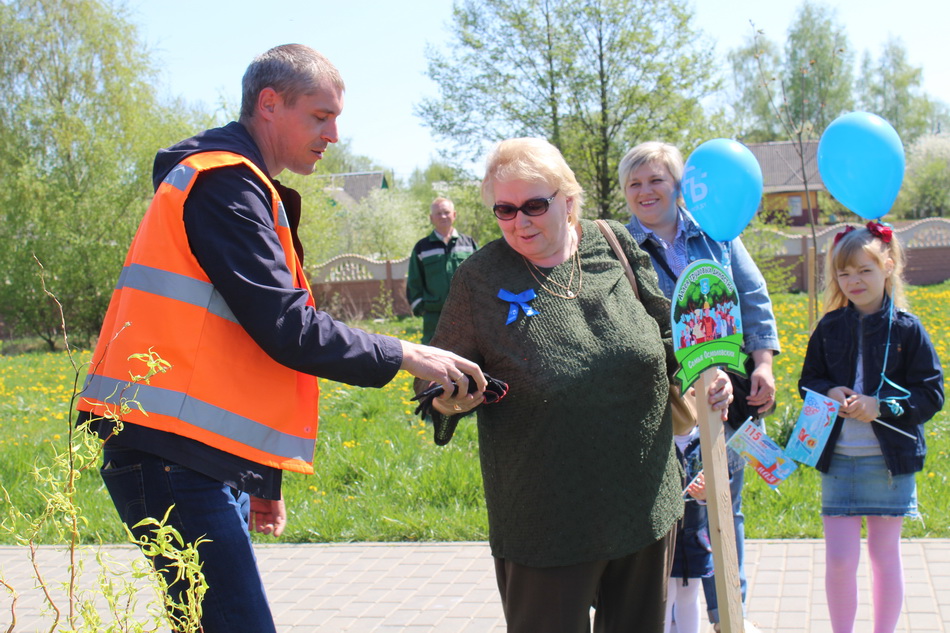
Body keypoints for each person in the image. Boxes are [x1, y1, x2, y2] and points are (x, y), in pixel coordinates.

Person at [75, 44, 485, 633]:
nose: (335, 134)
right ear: (269, 104)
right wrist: (407, 354)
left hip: (198, 456)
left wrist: (257, 472)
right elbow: (287, 328)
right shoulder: (223, 186)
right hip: (170, 455)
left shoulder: (238, 184)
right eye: (320, 116)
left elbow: (235, 340)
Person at [418, 137, 734, 633]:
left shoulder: (613, 243)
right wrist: (450, 401)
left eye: (534, 205)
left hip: (643, 507)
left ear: (568, 198)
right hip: (545, 523)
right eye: (504, 210)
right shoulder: (479, 279)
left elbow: (668, 337)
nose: (519, 222)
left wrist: (705, 378)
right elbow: (435, 384)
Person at [619, 141, 781, 629]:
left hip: (722, 399)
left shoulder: (717, 234)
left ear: (679, 186)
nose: (646, 192)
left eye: (656, 180)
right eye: (635, 184)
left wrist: (763, 364)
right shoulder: (617, 248)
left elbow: (752, 297)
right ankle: (663, 616)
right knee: (666, 516)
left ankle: (731, 614)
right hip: (660, 406)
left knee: (721, 508)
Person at [799, 222, 943, 633]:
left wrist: (881, 407)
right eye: (844, 273)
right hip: (840, 460)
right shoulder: (828, 327)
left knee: (884, 556)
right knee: (840, 560)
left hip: (890, 461)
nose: (853, 281)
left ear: (888, 266)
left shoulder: (908, 329)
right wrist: (828, 391)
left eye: (864, 270)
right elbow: (808, 382)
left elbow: (930, 394)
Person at [406, 197, 478, 343]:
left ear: (454, 215)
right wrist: (422, 308)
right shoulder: (422, 247)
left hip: (466, 313)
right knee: (434, 356)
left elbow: (481, 277)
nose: (443, 216)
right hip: (434, 316)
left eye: (446, 212)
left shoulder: (469, 244)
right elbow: (414, 281)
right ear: (431, 218)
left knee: (468, 354)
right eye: (438, 213)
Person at [666, 427, 713, 633]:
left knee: (689, 594)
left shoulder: (706, 439)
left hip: (694, 537)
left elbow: (724, 480)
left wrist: (705, 495)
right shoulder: (662, 439)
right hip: (664, 539)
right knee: (665, 597)